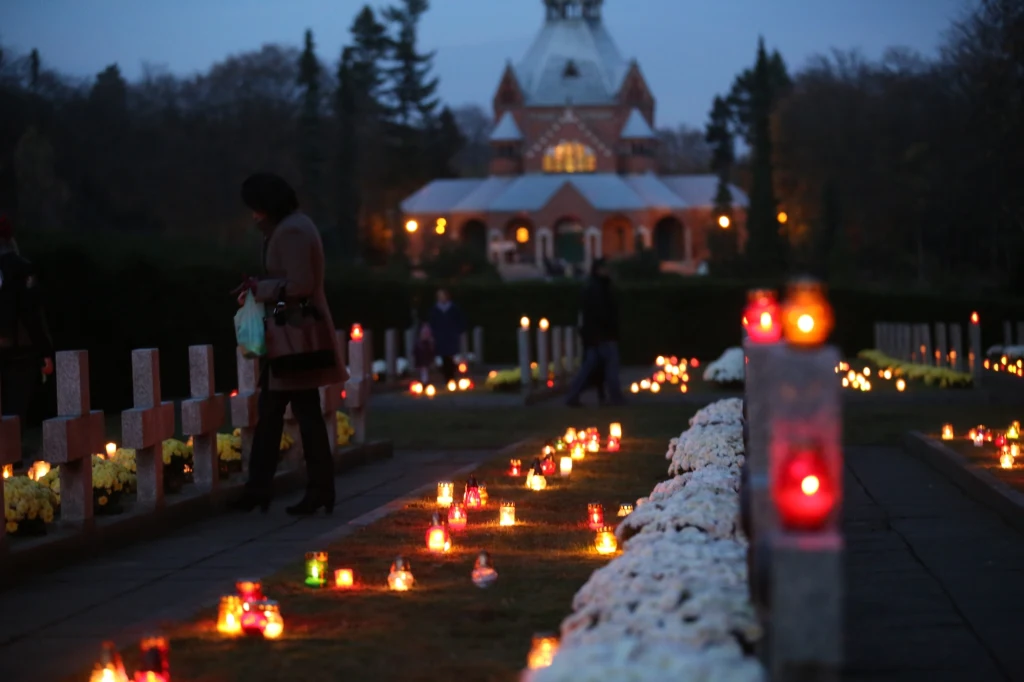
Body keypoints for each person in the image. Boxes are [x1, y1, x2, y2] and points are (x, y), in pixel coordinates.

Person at [231, 173, 346, 516]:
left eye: (256, 208)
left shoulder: (292, 230)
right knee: (279, 412)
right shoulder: (292, 226)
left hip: (294, 333)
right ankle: (279, 489)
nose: (253, 215)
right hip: (290, 332)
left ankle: (294, 489)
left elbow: (301, 284)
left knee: (292, 414)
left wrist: (260, 290)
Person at [0, 215, 54, 465]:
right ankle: (10, 465)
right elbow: (31, 313)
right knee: (14, 414)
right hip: (18, 353)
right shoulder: (21, 268)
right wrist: (45, 352)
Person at [565, 258, 626, 406]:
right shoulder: (598, 289)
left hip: (596, 336)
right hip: (602, 335)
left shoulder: (596, 287)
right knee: (608, 367)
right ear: (599, 270)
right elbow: (601, 314)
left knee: (589, 367)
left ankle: (573, 395)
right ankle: (615, 397)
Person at [429, 288, 465, 383]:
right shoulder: (435, 309)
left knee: (451, 357)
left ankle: (452, 376)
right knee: (443, 357)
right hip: (440, 336)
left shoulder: (453, 308)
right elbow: (432, 323)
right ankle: (447, 377)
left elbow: (459, 321)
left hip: (451, 335)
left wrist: (458, 331)